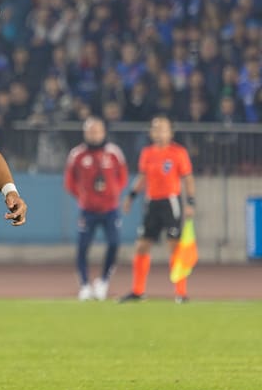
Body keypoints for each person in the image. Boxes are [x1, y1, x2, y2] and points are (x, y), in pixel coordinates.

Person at [119, 116, 196, 303]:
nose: (159, 132)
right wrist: (131, 196)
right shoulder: (147, 153)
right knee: (142, 245)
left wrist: (190, 202)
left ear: (170, 132)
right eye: (156, 129)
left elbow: (187, 178)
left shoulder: (178, 153)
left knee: (174, 245)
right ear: (151, 133)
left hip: (171, 202)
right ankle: (138, 291)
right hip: (152, 202)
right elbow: (143, 177)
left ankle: (181, 293)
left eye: (163, 129)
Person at [63, 117, 128, 301]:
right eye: (90, 131)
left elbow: (122, 177)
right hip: (88, 210)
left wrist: (113, 193)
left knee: (114, 244)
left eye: (97, 131)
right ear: (85, 133)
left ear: (104, 132)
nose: (94, 134)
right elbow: (69, 182)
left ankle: (103, 282)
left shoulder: (114, 153)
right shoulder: (77, 155)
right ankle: (84, 285)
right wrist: (82, 196)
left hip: (110, 209)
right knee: (83, 248)